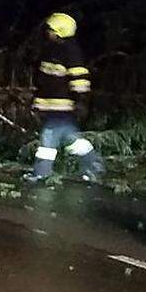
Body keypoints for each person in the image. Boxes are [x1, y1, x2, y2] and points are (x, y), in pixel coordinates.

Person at [29, 12, 104, 181]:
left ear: (60, 31)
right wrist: (37, 103)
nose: (47, 32)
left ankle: (41, 174)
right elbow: (44, 82)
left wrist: (81, 100)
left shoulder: (70, 52)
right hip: (52, 106)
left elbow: (79, 77)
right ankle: (94, 165)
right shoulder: (50, 50)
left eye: (51, 29)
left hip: (62, 106)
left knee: (48, 138)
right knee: (71, 138)